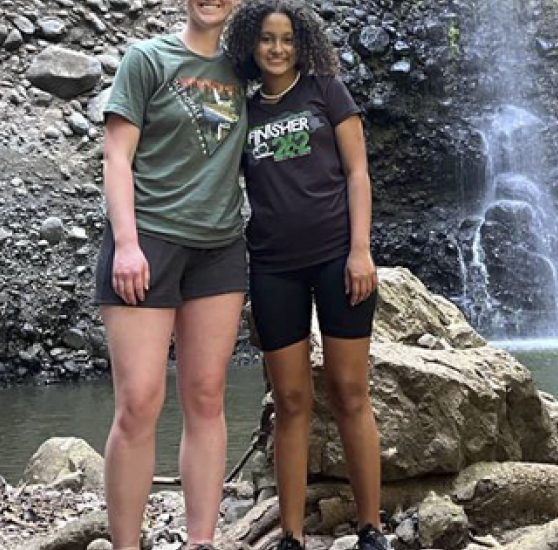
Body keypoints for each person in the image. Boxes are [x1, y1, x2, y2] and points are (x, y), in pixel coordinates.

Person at [225, 3, 389, 550]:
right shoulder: (244, 112)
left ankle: (371, 529)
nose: (277, 49)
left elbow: (358, 172)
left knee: (349, 391)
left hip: (338, 258)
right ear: (251, 45)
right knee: (291, 400)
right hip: (273, 266)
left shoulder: (327, 91)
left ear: (302, 45)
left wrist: (360, 250)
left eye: (288, 40)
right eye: (267, 40)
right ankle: (291, 536)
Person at [94, 1, 246, 549]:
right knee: (139, 401)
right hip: (149, 239)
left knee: (207, 395)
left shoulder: (245, 68)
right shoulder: (147, 58)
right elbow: (116, 155)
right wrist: (128, 245)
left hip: (220, 246)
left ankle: (201, 541)